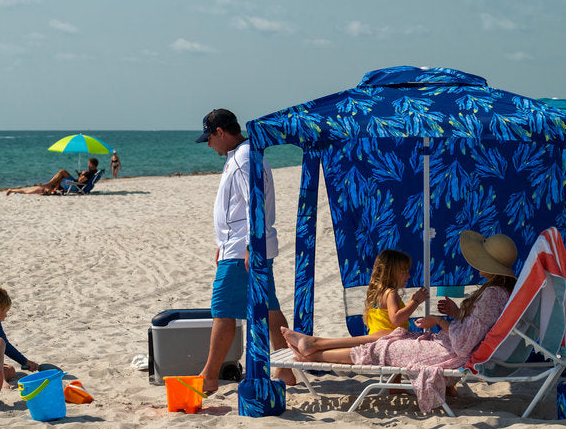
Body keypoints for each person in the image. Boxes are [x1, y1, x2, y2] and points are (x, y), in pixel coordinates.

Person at [281, 231, 518, 412]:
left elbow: (465, 341)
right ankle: (313, 347)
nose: (477, 265)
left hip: (454, 352)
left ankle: (313, 353)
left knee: (384, 345)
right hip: (452, 347)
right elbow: (476, 329)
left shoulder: (492, 294)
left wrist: (439, 320)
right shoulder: (499, 293)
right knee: (388, 340)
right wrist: (457, 316)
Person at [195, 108, 295, 394]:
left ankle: (209, 376)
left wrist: (251, 246)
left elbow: (254, 204)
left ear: (220, 132)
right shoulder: (244, 155)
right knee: (270, 307)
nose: (209, 145)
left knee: (223, 309)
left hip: (243, 249)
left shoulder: (243, 158)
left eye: (210, 139)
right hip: (237, 245)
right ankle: (285, 371)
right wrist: (223, 243)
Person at [6, 158, 99, 195]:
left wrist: (82, 174)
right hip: (66, 187)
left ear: (92, 164)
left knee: (62, 171)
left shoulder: (90, 173)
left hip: (76, 186)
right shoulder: (92, 172)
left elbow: (80, 180)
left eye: (89, 163)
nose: (88, 164)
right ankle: (12, 190)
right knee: (61, 175)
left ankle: (48, 184)